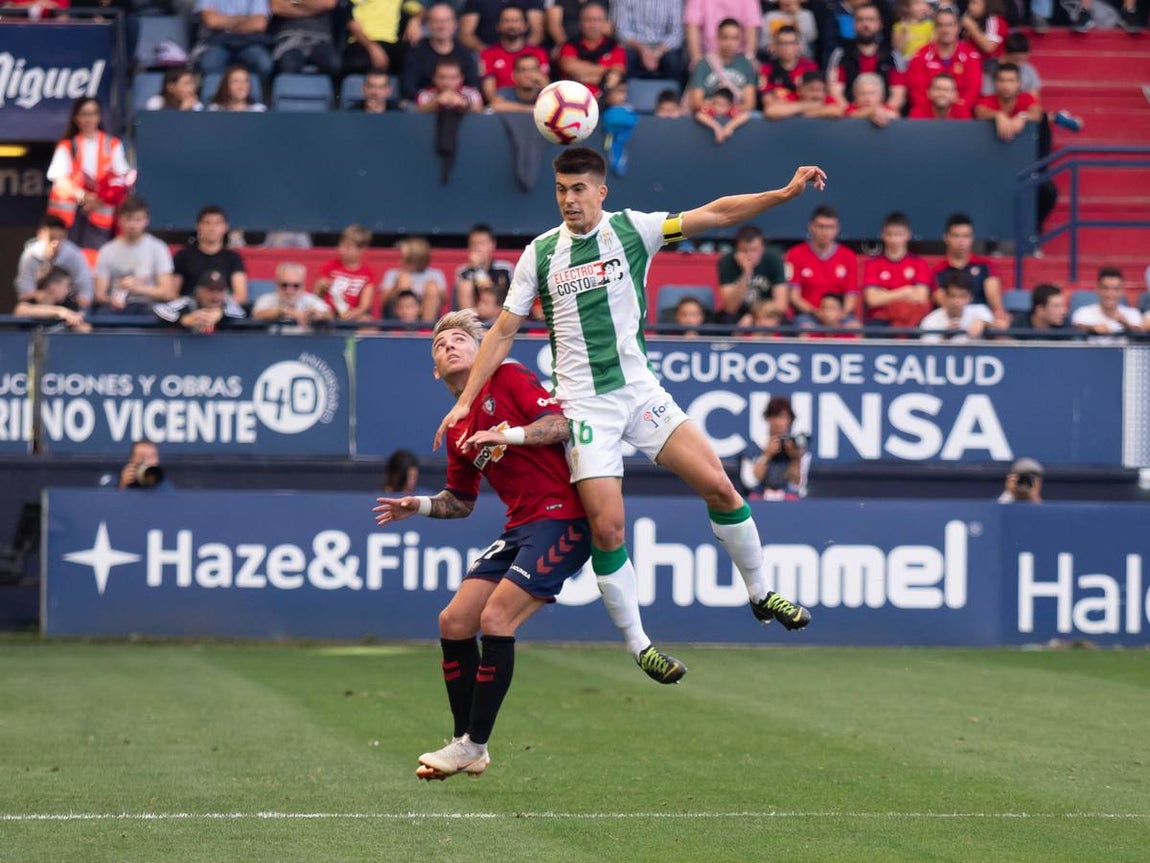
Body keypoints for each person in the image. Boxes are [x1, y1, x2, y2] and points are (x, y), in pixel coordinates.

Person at [435, 147, 822, 649]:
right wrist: (465, 400)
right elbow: (504, 329)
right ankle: (641, 644)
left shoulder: (634, 229)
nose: (569, 201)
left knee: (721, 487)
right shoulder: (541, 252)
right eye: (560, 190)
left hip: (640, 394)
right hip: (583, 408)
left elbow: (717, 213)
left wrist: (784, 194)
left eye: (578, 190)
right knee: (609, 528)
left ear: (601, 191)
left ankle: (761, 592)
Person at [376, 311, 685, 780]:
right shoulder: (457, 426)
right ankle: (467, 744)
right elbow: (460, 501)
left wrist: (509, 434)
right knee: (454, 621)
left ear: (482, 351)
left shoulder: (508, 377)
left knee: (495, 617)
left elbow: (560, 424)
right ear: (436, 370)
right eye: (440, 346)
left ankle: (473, 744)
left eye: (460, 339)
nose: (449, 346)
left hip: (565, 518)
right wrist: (416, 505)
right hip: (520, 527)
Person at [46, 98, 131, 250]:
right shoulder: (67, 145)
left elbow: (122, 179)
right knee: (67, 259)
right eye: (84, 114)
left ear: (99, 117)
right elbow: (60, 178)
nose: (88, 119)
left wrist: (99, 200)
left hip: (100, 215)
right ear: (76, 118)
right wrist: (83, 196)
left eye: (92, 114)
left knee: (95, 260)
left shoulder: (112, 144)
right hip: (69, 218)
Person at [93, 197, 176, 314]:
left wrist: (139, 289)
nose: (132, 225)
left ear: (146, 221)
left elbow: (167, 292)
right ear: (119, 220)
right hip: (115, 310)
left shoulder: (158, 248)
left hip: (150, 309)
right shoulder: (107, 250)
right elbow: (100, 295)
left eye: (138, 220)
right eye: (128, 219)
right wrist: (111, 300)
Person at [784, 204, 859, 322]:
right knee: (806, 327)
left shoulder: (849, 256)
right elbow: (794, 296)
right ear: (811, 227)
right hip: (808, 314)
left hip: (840, 315)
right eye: (821, 226)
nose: (825, 232)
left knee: (854, 327)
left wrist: (840, 314)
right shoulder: (795, 254)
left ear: (837, 229)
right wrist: (817, 313)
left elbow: (851, 295)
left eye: (830, 227)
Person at [826, 3, 906, 112]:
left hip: (885, 119)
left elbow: (898, 96)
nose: (865, 24)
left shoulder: (892, 55)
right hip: (849, 119)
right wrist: (854, 114)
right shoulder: (841, 54)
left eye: (870, 20)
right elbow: (835, 93)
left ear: (880, 24)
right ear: (853, 24)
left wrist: (882, 112)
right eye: (860, 20)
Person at [932, 212, 1007, 329]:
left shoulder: (985, 266)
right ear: (946, 238)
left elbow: (996, 306)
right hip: (950, 324)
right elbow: (943, 302)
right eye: (956, 236)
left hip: (983, 324)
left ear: (972, 238)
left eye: (966, 236)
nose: (961, 241)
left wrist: (997, 317)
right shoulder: (938, 271)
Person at [905, 6, 982, 118]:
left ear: (958, 28)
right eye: (940, 25)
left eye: (950, 25)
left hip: (960, 116)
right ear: (934, 28)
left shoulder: (971, 56)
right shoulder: (920, 55)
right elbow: (917, 93)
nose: (945, 30)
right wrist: (936, 109)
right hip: (926, 116)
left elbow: (972, 92)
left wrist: (953, 109)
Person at [862, 211, 931, 329]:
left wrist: (885, 294)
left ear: (908, 234)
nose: (894, 240)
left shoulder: (919, 263)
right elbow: (872, 299)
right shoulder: (873, 264)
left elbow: (921, 296)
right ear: (883, 235)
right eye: (890, 234)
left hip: (911, 321)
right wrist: (906, 291)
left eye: (899, 234)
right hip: (880, 321)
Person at [402, 2, 482, 103]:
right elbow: (408, 89)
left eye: (446, 21)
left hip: (459, 104)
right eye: (436, 21)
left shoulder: (465, 53)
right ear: (428, 25)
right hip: (423, 108)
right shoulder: (416, 53)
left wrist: (455, 98)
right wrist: (435, 99)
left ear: (455, 24)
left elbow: (474, 86)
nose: (442, 26)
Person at [715, 225, 787, 328]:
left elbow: (781, 305)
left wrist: (755, 317)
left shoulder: (773, 259)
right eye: (744, 251)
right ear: (737, 250)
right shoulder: (727, 262)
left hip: (767, 312)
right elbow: (730, 307)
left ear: (762, 248)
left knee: (786, 323)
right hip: (739, 313)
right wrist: (746, 273)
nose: (749, 255)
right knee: (725, 321)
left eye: (754, 250)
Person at [14, 215, 94, 307]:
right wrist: (42, 295)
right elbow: (24, 293)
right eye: (51, 238)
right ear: (41, 235)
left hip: (68, 304)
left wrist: (72, 300)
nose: (55, 243)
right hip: (37, 305)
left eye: (60, 238)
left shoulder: (74, 255)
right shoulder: (30, 255)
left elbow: (85, 293)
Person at [173, 205, 248, 301]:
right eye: (207, 223)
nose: (212, 228)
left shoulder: (233, 258)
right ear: (198, 226)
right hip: (190, 311)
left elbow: (241, 296)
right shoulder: (183, 256)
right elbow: (172, 294)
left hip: (223, 312)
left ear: (225, 227)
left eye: (217, 223)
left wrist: (218, 310)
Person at [478, 4, 549, 105]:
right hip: (502, 111)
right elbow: (492, 99)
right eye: (506, 21)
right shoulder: (488, 54)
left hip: (535, 105)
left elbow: (546, 88)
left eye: (516, 21)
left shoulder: (538, 52)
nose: (511, 25)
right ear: (498, 26)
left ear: (525, 26)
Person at [685, 17, 757, 113]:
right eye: (725, 37)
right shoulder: (703, 64)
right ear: (717, 37)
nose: (729, 43)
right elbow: (696, 102)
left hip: (736, 115)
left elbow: (749, 103)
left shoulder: (745, 64)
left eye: (734, 38)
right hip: (709, 116)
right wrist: (718, 110)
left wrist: (729, 111)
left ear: (740, 40)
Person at [192, 0, 274, 83]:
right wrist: (245, 19)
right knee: (210, 64)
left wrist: (224, 22)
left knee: (264, 64)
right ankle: (219, 94)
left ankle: (251, 94)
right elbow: (212, 21)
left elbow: (259, 24)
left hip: (249, 41)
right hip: (216, 41)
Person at [556, 2, 626, 99]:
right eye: (588, 20)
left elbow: (617, 73)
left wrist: (583, 77)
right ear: (580, 23)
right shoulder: (570, 44)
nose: (593, 25)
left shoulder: (614, 46)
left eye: (598, 20)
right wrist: (606, 72)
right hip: (572, 100)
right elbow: (569, 66)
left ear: (605, 23)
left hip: (605, 101)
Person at [746, 395, 809, 501]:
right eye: (775, 417)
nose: (779, 423)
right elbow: (751, 482)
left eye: (783, 417)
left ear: (790, 420)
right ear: (768, 419)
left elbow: (797, 485)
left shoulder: (798, 450)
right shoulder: (754, 447)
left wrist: (795, 458)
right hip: (759, 502)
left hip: (789, 504)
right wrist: (767, 454)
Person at [343, 0, 425, 77]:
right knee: (359, 63)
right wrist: (372, 47)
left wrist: (415, 20)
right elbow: (351, 23)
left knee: (415, 61)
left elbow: (420, 11)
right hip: (363, 41)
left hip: (391, 43)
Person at [315, 224, 378, 322]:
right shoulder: (331, 266)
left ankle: (356, 338)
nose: (342, 250)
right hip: (328, 311)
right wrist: (321, 286)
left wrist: (351, 314)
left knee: (367, 321)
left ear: (361, 250)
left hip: (352, 314)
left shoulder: (367, 273)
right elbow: (316, 295)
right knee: (321, 316)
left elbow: (365, 305)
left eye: (348, 248)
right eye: (341, 245)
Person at [612, 0, 685, 82]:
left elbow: (677, 33)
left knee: (673, 61)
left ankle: (673, 94)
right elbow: (621, 30)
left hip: (664, 46)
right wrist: (642, 50)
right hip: (634, 45)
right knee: (625, 59)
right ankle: (624, 94)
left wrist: (657, 53)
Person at [154, 269, 247, 333]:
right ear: (199, 291)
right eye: (210, 290)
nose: (215, 296)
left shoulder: (228, 303)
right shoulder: (188, 302)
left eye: (220, 290)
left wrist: (221, 313)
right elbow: (160, 309)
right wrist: (183, 319)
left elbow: (242, 314)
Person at [379, 236, 446, 321]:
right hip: (397, 313)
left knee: (432, 289)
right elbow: (383, 302)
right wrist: (397, 287)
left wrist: (435, 290)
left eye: (405, 258)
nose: (401, 261)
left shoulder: (435, 274)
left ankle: (425, 329)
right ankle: (403, 327)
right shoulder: (393, 273)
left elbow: (444, 299)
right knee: (404, 280)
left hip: (423, 313)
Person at [1070, 267, 1143, 344]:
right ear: (1097, 289)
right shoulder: (1083, 312)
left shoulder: (1133, 313)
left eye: (1115, 289)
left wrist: (1127, 326)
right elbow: (1077, 325)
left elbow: (1141, 334)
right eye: (1105, 288)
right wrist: (1092, 328)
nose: (1110, 294)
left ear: (1122, 291)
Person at [973, 63, 1042, 143]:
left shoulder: (1026, 98)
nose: (1006, 85)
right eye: (1001, 80)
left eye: (1011, 81)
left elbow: (1037, 113)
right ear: (995, 83)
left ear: (1018, 84)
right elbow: (979, 112)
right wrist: (998, 115)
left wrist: (1022, 116)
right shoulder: (987, 99)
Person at [252, 262, 333, 330]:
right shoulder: (266, 299)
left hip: (305, 346)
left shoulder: (311, 300)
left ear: (303, 286)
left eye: (296, 286)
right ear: (276, 284)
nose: (289, 291)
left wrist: (318, 314)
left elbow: (329, 315)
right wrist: (287, 312)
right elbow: (257, 314)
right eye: (284, 285)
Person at [919, 269, 992, 343]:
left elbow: (1000, 329)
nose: (957, 301)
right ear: (944, 296)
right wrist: (945, 337)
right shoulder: (930, 321)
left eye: (962, 296)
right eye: (952, 296)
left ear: (970, 298)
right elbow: (929, 351)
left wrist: (984, 322)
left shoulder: (981, 311)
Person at [453, 223, 514, 311]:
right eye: (473, 243)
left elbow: (508, 302)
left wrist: (479, 270)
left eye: (482, 243)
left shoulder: (505, 269)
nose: (477, 248)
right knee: (465, 284)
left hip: (501, 316)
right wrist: (477, 269)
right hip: (471, 319)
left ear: (493, 244)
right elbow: (465, 309)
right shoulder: (463, 271)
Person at [269, 0, 339, 76]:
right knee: (288, 66)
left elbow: (329, 3)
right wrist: (313, 7)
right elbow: (276, 7)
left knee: (334, 64)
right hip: (289, 36)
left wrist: (292, 2)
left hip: (321, 37)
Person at [13, 267, 91, 333]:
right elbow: (20, 311)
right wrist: (60, 311)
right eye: (66, 286)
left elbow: (86, 328)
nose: (68, 291)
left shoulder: (68, 303)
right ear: (53, 287)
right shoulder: (32, 300)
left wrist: (77, 325)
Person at [101, 440, 173, 491]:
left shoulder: (164, 485)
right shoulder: (115, 481)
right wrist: (122, 485)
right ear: (131, 459)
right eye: (141, 457)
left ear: (157, 460)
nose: (146, 461)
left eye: (151, 457)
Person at [892, 0, 932, 64]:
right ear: (906, 7)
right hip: (906, 63)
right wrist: (904, 33)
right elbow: (897, 49)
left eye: (924, 3)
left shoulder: (929, 25)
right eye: (917, 3)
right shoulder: (900, 27)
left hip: (925, 62)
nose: (922, 7)